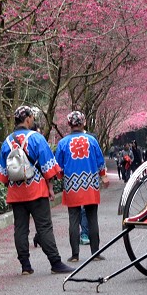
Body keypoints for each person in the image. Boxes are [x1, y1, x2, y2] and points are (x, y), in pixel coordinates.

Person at [0, 105, 74, 275]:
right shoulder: (37, 138)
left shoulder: (6, 142)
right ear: (28, 119)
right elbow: (49, 167)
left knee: (21, 228)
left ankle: (25, 266)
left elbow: (2, 175)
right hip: (36, 191)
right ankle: (55, 262)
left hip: (16, 194)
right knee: (44, 226)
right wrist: (50, 187)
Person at [54, 110, 109, 262]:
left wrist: (60, 178)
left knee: (73, 219)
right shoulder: (92, 140)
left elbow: (58, 167)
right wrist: (103, 177)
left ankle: (75, 255)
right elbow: (100, 162)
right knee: (92, 218)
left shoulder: (63, 143)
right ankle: (95, 253)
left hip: (72, 185)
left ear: (69, 124)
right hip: (90, 184)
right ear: (83, 123)